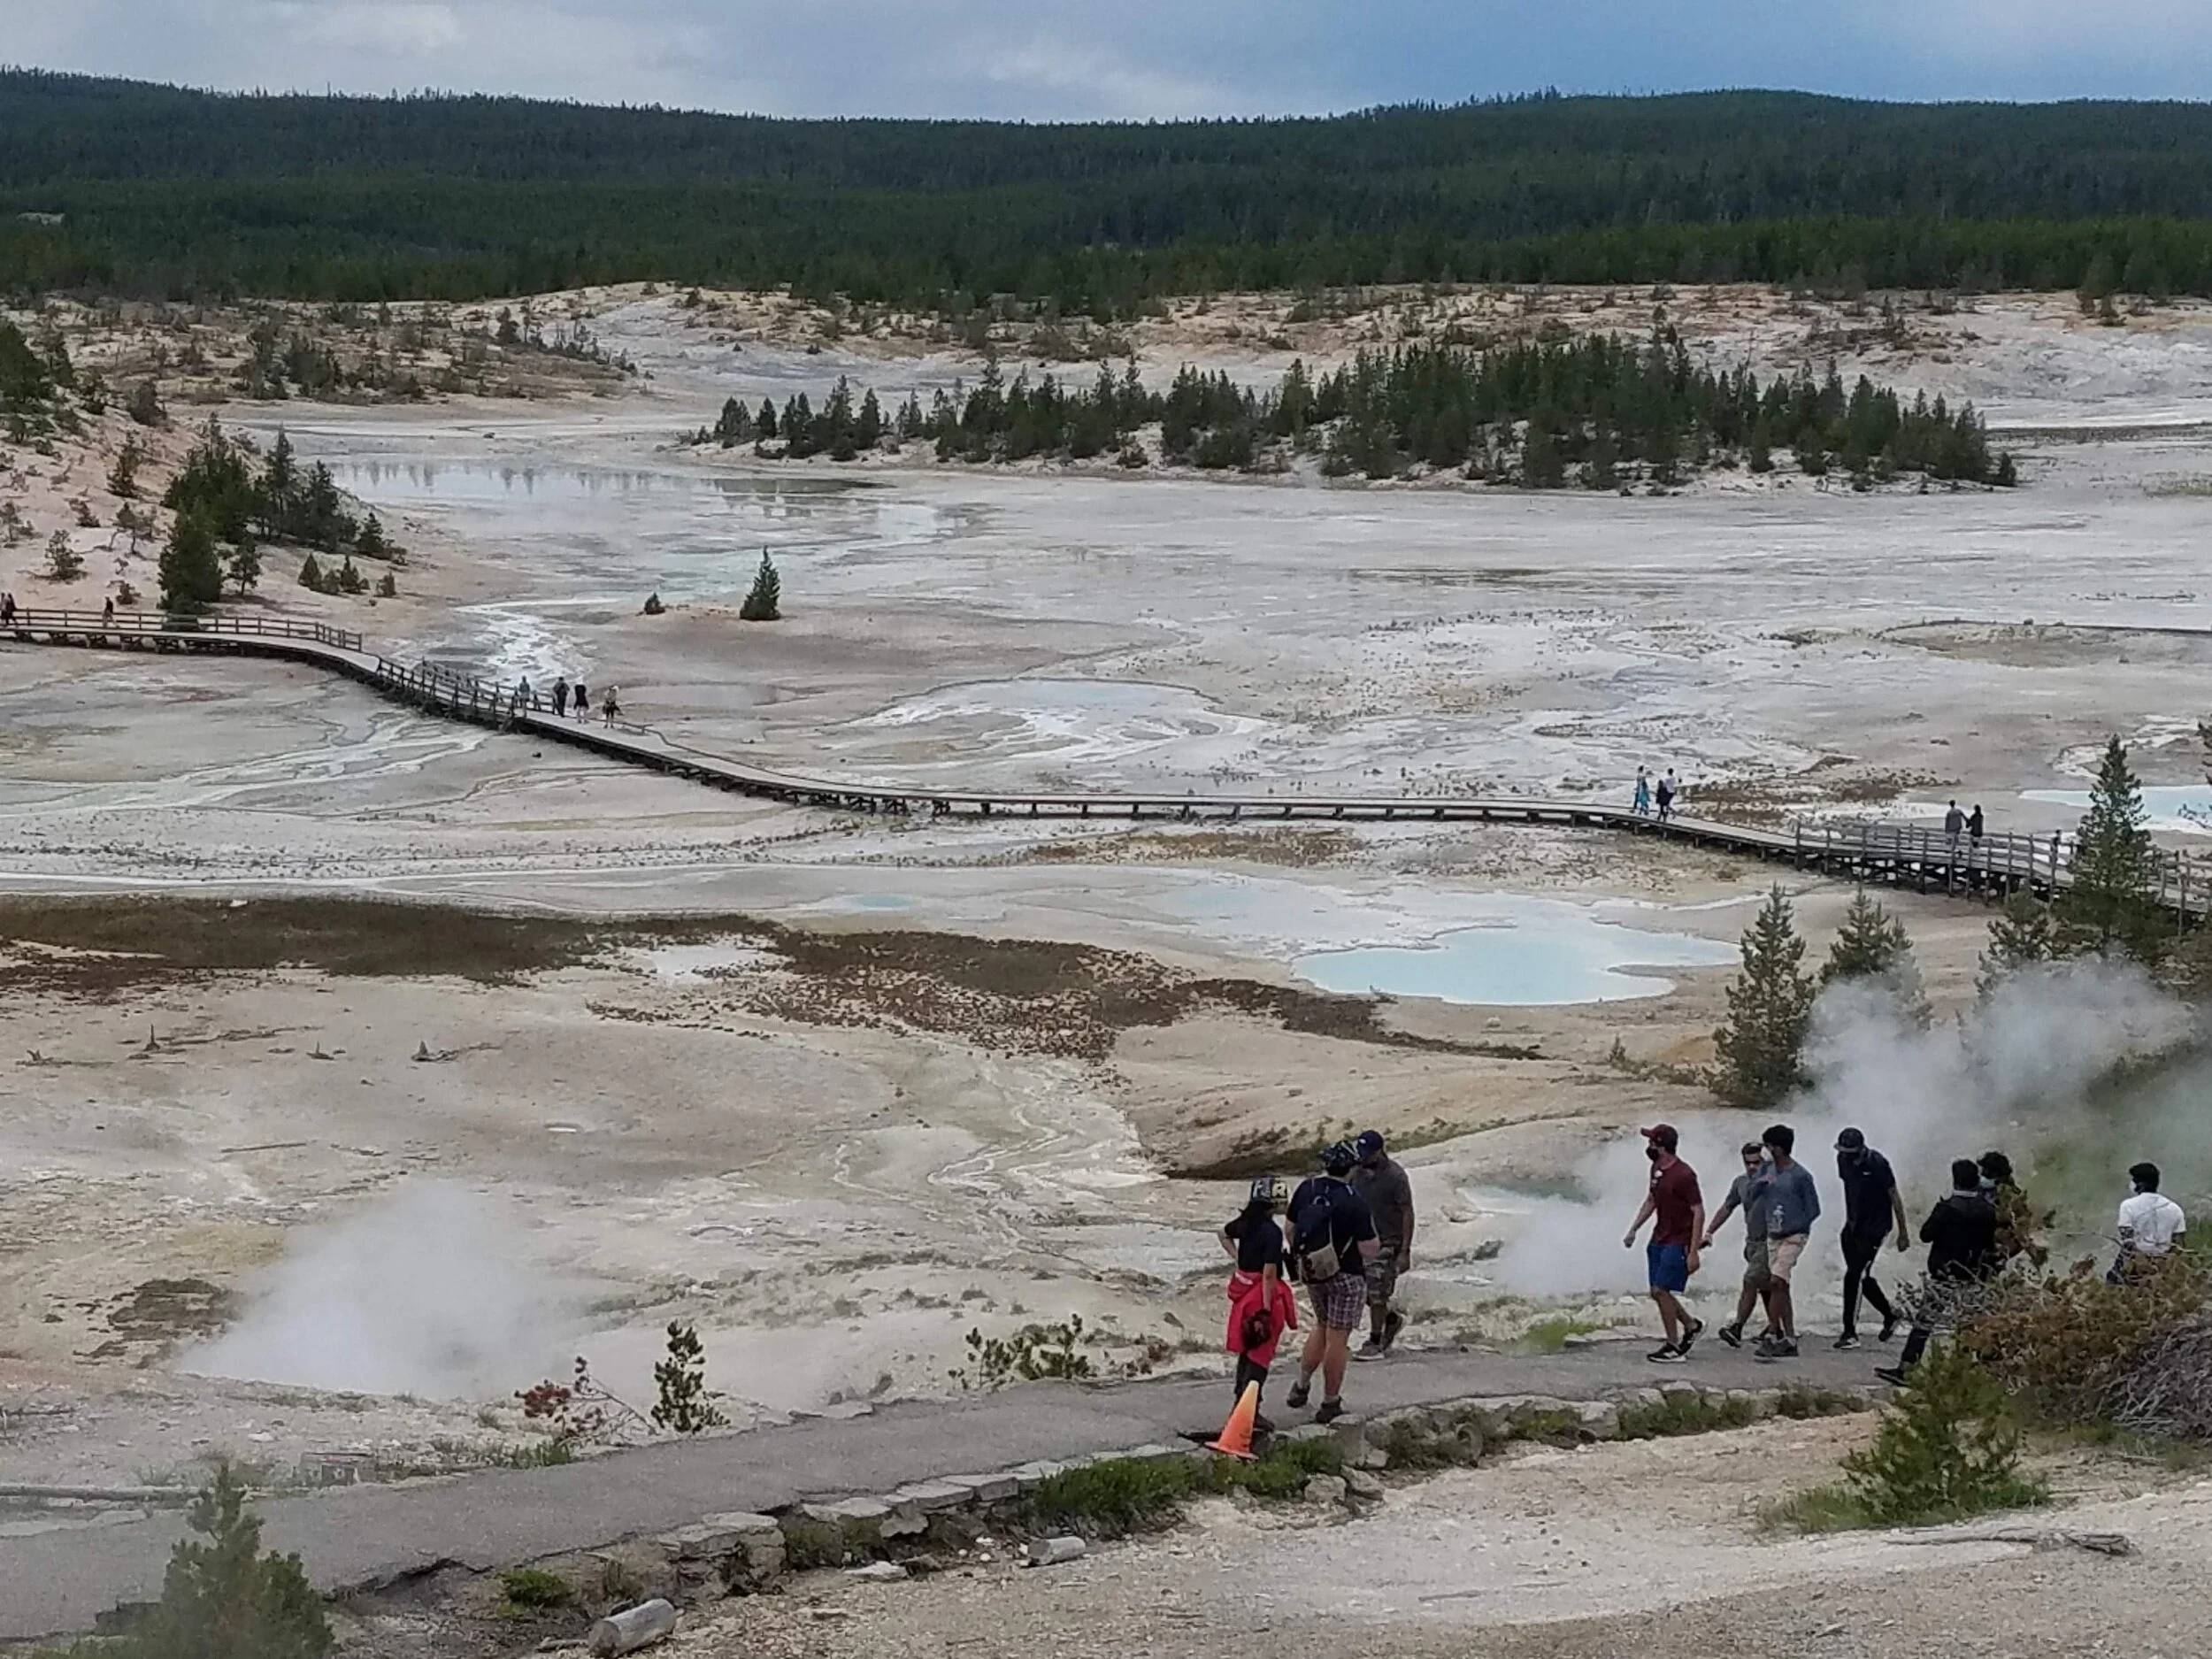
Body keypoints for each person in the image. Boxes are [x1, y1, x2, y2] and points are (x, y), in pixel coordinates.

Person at [1877, 1158, 2000, 1386]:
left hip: (1944, 1275)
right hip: (1973, 1276)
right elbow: (1991, 1244)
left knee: (1924, 1324)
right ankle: (1960, 1375)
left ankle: (1907, 1369)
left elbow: (1926, 1235)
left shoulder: (1947, 1208)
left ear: (1955, 1181)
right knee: (1967, 1326)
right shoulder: (1988, 1210)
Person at [1284, 1141, 1379, 1424]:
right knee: (1338, 1338)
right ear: (1351, 1168)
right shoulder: (1354, 1200)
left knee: (1321, 1326)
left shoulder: (1307, 1188)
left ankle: (1301, 1385)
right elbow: (1369, 1249)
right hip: (1346, 1276)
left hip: (1314, 1271)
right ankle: (1330, 1401)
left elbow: (1289, 1230)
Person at [1220, 1176, 1298, 1432]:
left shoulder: (1245, 1224)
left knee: (1246, 1351)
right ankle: (1250, 1410)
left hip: (1243, 1295)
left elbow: (1222, 1234)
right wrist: (1266, 1308)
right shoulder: (1272, 1232)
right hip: (1262, 1298)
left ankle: (1240, 1403)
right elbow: (1269, 1274)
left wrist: (1238, 1258)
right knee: (1260, 1357)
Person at [1623, 1124, 1704, 1362]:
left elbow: (1698, 1212)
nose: (1648, 1147)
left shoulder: (1685, 1175)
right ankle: (1691, 1325)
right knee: (1657, 1292)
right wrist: (1634, 1229)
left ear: (1661, 1145)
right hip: (1659, 1236)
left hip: (1678, 1240)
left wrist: (1694, 1251)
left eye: (1651, 1142)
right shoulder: (1656, 1168)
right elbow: (1652, 1200)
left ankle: (1673, 1345)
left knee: (1661, 1289)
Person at [1834, 1127, 1909, 1350]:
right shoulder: (1842, 1160)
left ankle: (1849, 1332)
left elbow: (1894, 1196)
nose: (1848, 1157)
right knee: (1860, 1276)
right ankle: (1890, 1315)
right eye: (1844, 1152)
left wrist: (1903, 1232)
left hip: (1876, 1227)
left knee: (1853, 1276)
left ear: (1861, 1149)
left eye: (1852, 1154)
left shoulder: (1878, 1163)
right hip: (1853, 1225)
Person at [1756, 1122, 1819, 1360]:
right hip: (1773, 1236)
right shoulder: (1767, 1170)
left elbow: (1813, 1210)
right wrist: (1760, 1183)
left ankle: (1773, 1334)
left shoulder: (1801, 1176)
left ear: (1779, 1149)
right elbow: (1752, 1193)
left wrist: (1794, 1226)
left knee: (1776, 1281)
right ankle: (1790, 1339)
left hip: (1794, 1236)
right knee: (1781, 1286)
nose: (1765, 1150)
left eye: (1768, 1146)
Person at [1350, 1129, 1415, 1361]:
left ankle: (1375, 1340)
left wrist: (1404, 1251)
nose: (1363, 1157)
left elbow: (1407, 1212)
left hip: (1387, 1242)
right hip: (1360, 1240)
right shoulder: (1356, 1172)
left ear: (1379, 1151)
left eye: (1367, 1153)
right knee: (1360, 1292)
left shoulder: (1395, 1176)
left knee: (1377, 1293)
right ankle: (1390, 1320)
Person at [1702, 1141, 1774, 1349]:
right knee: (1765, 1287)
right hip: (1752, 1241)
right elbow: (1727, 1207)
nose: (1752, 1167)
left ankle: (1737, 1327)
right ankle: (1776, 1327)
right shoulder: (1741, 1183)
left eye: (1756, 1163)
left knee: (1751, 1280)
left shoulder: (1775, 1183)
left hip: (1771, 1241)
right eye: (1747, 1163)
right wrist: (1709, 1232)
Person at [2109, 1162, 2186, 1282]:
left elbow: (2128, 1241)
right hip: (2163, 1264)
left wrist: (2141, 1263)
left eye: (2133, 1180)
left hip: (2135, 1265)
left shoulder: (2128, 1206)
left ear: (2139, 1184)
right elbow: (2178, 1244)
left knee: (2112, 1282)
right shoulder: (2175, 1208)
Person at [1978, 1150, 2046, 1270]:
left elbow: (2020, 1223)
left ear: (1995, 1174)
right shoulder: (1989, 1191)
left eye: (1985, 1172)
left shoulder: (2008, 1194)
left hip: (2006, 1248)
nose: (1982, 1175)